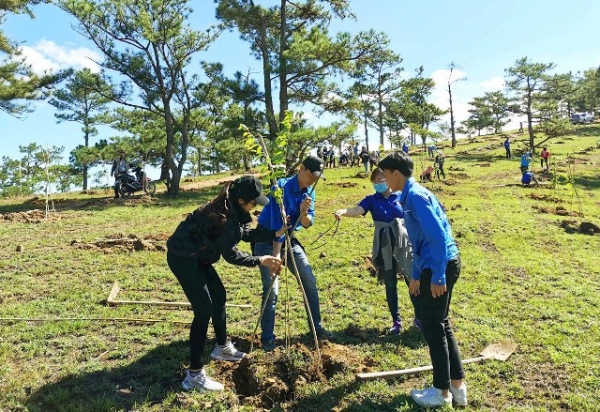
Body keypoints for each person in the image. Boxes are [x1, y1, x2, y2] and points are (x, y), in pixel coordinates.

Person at [166, 175, 285, 392]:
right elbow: (231, 255)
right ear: (242, 201)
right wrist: (261, 260)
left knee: (219, 297)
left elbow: (242, 233)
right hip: (183, 258)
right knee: (203, 310)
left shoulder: (232, 209)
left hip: (197, 256)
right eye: (253, 202)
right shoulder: (224, 216)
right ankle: (193, 376)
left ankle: (222, 348)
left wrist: (273, 233)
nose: (254, 207)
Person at [378, 151, 467, 408]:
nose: (383, 179)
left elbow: (438, 237)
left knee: (432, 327)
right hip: (432, 264)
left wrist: (437, 276)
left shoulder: (415, 197)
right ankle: (457, 387)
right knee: (441, 324)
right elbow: (419, 242)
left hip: (440, 265)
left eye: (385, 174)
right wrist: (416, 275)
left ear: (396, 173)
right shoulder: (411, 195)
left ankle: (441, 393)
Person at [253, 156, 335, 351]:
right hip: (267, 241)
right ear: (301, 168)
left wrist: (304, 212)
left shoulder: (309, 193)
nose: (312, 180)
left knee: (309, 281)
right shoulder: (279, 189)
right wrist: (275, 256)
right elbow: (275, 224)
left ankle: (317, 327)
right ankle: (267, 339)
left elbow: (307, 224)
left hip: (290, 241)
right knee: (272, 291)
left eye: (316, 177)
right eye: (310, 175)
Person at [334, 168, 421, 334]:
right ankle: (396, 321)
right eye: (376, 181)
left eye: (383, 179)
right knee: (390, 282)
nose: (380, 183)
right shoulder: (371, 200)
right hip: (384, 244)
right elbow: (357, 210)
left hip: (403, 242)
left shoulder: (402, 196)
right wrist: (343, 211)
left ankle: (420, 318)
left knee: (411, 279)